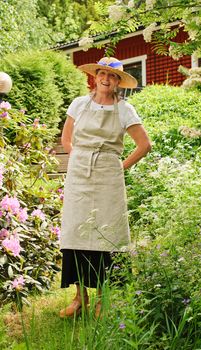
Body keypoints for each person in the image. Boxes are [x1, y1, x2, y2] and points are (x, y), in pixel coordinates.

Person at [59, 57, 151, 318]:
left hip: (108, 174)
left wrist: (118, 167)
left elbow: (144, 145)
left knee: (106, 233)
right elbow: (66, 139)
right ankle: (80, 298)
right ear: (95, 76)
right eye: (102, 73)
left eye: (112, 76)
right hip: (79, 174)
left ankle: (102, 298)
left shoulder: (124, 110)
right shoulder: (79, 104)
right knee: (76, 230)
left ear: (118, 82)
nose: (106, 79)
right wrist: (78, 158)